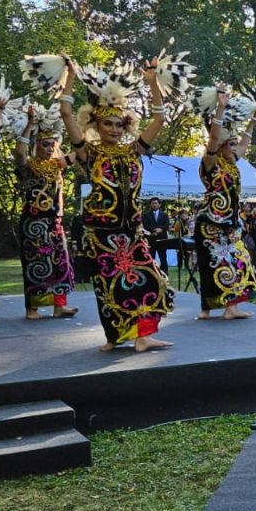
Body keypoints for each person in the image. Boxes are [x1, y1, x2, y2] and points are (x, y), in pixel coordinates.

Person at [61, 56, 173, 352]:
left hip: (132, 230)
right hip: (102, 231)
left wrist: (153, 84)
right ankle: (115, 337)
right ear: (96, 124)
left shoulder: (133, 150)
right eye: (107, 124)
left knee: (151, 279)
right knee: (108, 286)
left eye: (118, 124)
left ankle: (142, 335)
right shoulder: (90, 154)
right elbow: (66, 114)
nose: (113, 129)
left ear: (126, 125)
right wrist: (71, 77)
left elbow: (160, 119)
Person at [191, 88, 256, 319]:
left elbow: (246, 142)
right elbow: (212, 139)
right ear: (220, 145)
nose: (235, 147)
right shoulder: (210, 162)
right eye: (230, 144)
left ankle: (229, 308)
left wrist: (255, 118)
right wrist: (221, 107)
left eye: (234, 143)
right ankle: (209, 309)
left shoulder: (232, 163)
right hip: (210, 222)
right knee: (213, 264)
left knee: (238, 260)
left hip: (229, 223)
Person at [14, 105, 79, 320]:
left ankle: (59, 306)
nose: (50, 148)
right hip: (33, 222)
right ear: (36, 145)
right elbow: (19, 152)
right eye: (45, 144)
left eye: (52, 144)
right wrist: (30, 125)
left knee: (60, 261)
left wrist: (85, 125)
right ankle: (31, 308)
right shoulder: (28, 166)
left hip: (54, 222)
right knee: (36, 263)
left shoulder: (57, 165)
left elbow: (80, 151)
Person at [142, 196, 172, 274]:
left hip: (162, 239)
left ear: (159, 205)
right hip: (151, 240)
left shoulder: (164, 215)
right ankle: (153, 274)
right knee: (151, 258)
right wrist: (154, 230)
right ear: (150, 205)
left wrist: (160, 229)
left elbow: (166, 225)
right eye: (152, 203)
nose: (154, 205)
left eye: (156, 203)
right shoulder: (146, 215)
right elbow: (145, 225)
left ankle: (165, 273)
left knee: (163, 258)